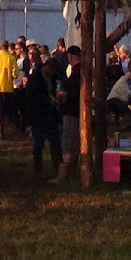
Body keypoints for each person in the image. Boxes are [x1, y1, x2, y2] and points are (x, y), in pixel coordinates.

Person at [24, 58, 63, 178]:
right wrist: (48, 100)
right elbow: (31, 96)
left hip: (50, 115)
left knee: (55, 143)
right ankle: (38, 170)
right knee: (38, 143)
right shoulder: (35, 78)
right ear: (47, 67)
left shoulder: (53, 77)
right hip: (38, 115)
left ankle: (58, 168)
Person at [51, 46, 82, 184]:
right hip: (77, 111)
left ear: (70, 57)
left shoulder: (76, 73)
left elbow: (72, 92)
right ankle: (72, 173)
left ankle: (62, 176)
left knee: (68, 144)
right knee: (74, 143)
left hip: (71, 112)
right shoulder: (82, 71)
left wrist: (63, 95)